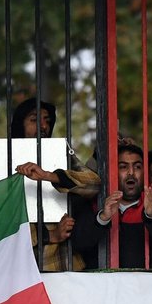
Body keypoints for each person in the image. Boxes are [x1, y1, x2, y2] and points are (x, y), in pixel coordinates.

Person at [11, 97, 101, 271]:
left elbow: (94, 184)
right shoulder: (1, 158)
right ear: (19, 124)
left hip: (61, 265)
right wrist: (49, 235)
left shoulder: (59, 154)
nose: (43, 126)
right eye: (34, 120)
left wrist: (49, 176)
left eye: (47, 121)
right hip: (18, 270)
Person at [72, 143, 152, 269]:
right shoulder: (97, 204)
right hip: (103, 286)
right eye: (123, 167)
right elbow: (77, 243)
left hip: (148, 286)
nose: (131, 173)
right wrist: (102, 218)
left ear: (145, 172)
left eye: (137, 167)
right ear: (111, 171)